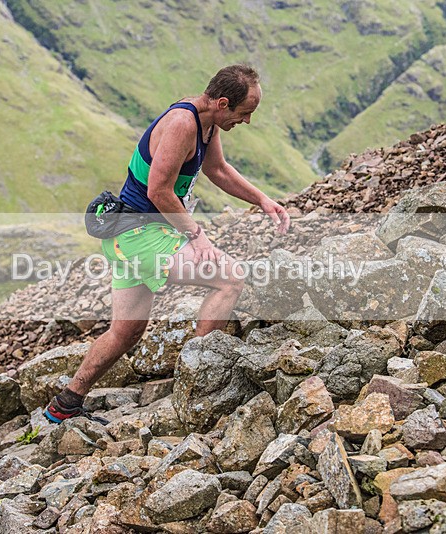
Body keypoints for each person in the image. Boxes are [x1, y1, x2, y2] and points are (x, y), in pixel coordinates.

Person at [44, 65, 290, 424]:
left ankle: (65, 404)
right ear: (223, 103)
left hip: (131, 236)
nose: (247, 121)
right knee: (230, 278)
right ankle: (198, 386)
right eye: (245, 112)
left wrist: (262, 200)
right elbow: (158, 191)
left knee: (125, 332)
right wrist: (197, 236)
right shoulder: (182, 124)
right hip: (139, 235)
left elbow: (218, 169)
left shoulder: (206, 121)